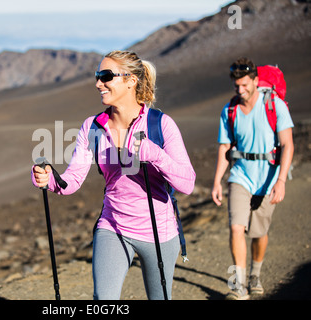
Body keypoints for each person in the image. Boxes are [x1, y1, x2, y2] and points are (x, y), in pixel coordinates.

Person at [31, 50, 195, 300]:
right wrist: (49, 180)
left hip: (158, 232)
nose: (98, 83)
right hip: (113, 226)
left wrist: (154, 154)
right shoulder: (92, 127)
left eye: (106, 76)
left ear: (131, 80)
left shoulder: (160, 125)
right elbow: (72, 180)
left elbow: (187, 183)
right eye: (98, 76)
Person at [211, 57, 294, 300]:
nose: (240, 90)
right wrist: (217, 180)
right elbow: (225, 148)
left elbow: (288, 145)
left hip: (267, 178)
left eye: (245, 85)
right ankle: (238, 286)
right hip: (241, 176)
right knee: (236, 227)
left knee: (258, 233)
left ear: (256, 81)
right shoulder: (230, 110)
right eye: (237, 86)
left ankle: (255, 275)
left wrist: (280, 181)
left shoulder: (274, 105)